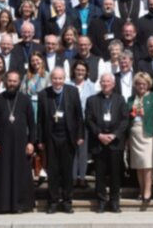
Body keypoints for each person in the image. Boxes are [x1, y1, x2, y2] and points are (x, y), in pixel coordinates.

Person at [38, 67, 85, 214]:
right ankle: (52, 202)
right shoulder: (43, 94)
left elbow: (79, 116)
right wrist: (40, 140)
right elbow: (39, 119)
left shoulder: (72, 91)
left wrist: (80, 135)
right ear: (51, 79)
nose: (57, 81)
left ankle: (67, 202)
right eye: (55, 78)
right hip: (51, 137)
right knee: (52, 171)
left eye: (60, 78)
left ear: (64, 79)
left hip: (68, 136)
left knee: (66, 171)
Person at [0, 70, 36, 213]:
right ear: (5, 81)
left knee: (20, 174)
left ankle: (20, 204)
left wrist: (31, 142)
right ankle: (2, 205)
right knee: (3, 174)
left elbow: (32, 124)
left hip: (21, 144)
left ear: (19, 83)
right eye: (10, 80)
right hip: (2, 144)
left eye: (15, 81)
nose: (12, 84)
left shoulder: (25, 99)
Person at [85, 73, 129, 213]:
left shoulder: (120, 99)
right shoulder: (92, 100)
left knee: (116, 174)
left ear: (113, 84)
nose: (105, 84)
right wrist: (99, 134)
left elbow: (125, 120)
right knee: (100, 174)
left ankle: (115, 201)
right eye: (103, 81)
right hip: (99, 142)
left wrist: (114, 135)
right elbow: (89, 120)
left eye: (108, 81)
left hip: (115, 142)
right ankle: (101, 201)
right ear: (100, 83)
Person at [127, 72, 153, 203]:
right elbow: (127, 118)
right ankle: (141, 190)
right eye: (139, 84)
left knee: (148, 164)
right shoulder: (130, 99)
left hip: (149, 134)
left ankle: (148, 191)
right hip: (135, 134)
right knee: (139, 165)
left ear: (148, 85)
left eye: (144, 84)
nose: (141, 86)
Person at [19, 51, 50, 182]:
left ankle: (43, 168)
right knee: (30, 137)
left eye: (37, 60)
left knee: (41, 140)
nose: (35, 63)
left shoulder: (48, 76)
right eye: (33, 61)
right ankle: (31, 168)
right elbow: (22, 92)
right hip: (30, 108)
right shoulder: (27, 76)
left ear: (42, 61)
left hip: (42, 108)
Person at [69, 60, 96, 189]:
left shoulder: (91, 86)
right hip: (70, 123)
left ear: (86, 72)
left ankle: (82, 178)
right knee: (72, 151)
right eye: (78, 69)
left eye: (82, 70)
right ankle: (73, 177)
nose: (80, 72)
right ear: (74, 71)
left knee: (83, 152)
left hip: (85, 123)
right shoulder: (67, 84)